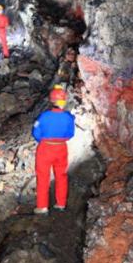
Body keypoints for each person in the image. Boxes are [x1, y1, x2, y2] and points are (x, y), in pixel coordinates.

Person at [31, 85, 75, 215]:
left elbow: (35, 132)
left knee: (43, 176)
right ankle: (61, 204)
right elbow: (70, 134)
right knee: (61, 176)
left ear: (51, 100)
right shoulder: (68, 117)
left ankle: (42, 206)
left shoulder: (44, 116)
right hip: (61, 148)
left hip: (45, 148)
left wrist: (43, 140)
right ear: (64, 101)